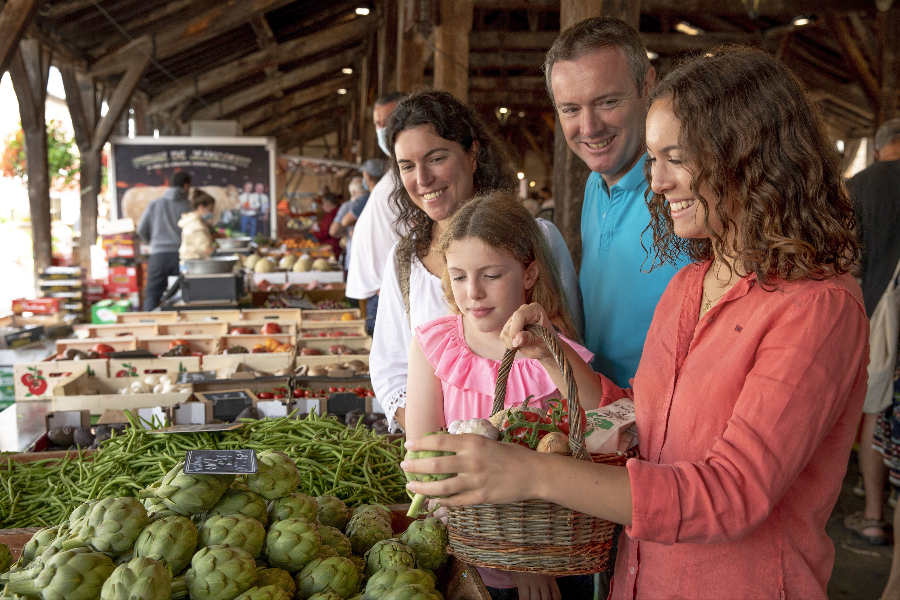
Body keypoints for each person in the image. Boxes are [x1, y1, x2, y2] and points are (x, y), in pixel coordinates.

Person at [403, 48, 867, 600]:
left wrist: (528, 474)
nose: (658, 182)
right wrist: (555, 354)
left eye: (677, 157)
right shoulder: (689, 284)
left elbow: (732, 493)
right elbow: (638, 423)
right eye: (653, 159)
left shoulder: (817, 308)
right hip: (638, 579)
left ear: (749, 157)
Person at [406, 192, 594, 600]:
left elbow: (594, 439)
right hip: (466, 560)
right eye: (458, 276)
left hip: (554, 562)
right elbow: (422, 464)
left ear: (529, 273)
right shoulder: (432, 346)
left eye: (490, 275)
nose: (472, 292)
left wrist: (528, 559)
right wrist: (503, 559)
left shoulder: (553, 352)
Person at [371, 89, 584, 435]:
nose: (422, 179)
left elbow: (570, 342)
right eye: (407, 166)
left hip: (538, 452)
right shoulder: (406, 260)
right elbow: (389, 368)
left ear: (473, 155)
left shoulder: (538, 238)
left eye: (436, 158)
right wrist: (442, 439)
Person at [546, 17, 688, 388]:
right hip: (606, 419)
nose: (589, 128)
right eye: (570, 109)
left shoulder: (684, 192)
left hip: (670, 423)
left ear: (648, 87)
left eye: (607, 102)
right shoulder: (594, 187)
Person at [842, 118, 900, 546]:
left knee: (876, 408)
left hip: (880, 314)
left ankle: (874, 515)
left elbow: (848, 259)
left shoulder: (861, 185)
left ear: (881, 146)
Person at [346, 93, 407, 336]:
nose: (382, 129)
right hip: (381, 293)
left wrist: (396, 285)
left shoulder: (410, 174)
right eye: (377, 123)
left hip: (391, 295)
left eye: (388, 121)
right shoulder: (394, 170)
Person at [138, 171, 192, 311]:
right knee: (182, 297)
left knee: (152, 295)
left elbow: (141, 229)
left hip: (158, 257)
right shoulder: (189, 206)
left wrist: (153, 243)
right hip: (181, 257)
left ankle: (148, 328)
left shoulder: (155, 204)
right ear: (186, 186)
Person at [331, 176, 369, 269]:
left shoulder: (348, 206)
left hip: (355, 257)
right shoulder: (376, 202)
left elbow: (334, 231)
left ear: (353, 192)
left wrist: (344, 231)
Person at [177, 190, 216, 261]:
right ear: (201, 207)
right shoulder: (195, 225)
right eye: (210, 209)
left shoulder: (197, 222)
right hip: (193, 262)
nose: (212, 212)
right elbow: (206, 248)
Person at [310, 192, 341, 258]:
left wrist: (314, 232)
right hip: (338, 245)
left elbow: (324, 233)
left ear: (329, 202)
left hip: (330, 247)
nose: (323, 205)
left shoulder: (330, 214)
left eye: (323, 203)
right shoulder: (339, 211)